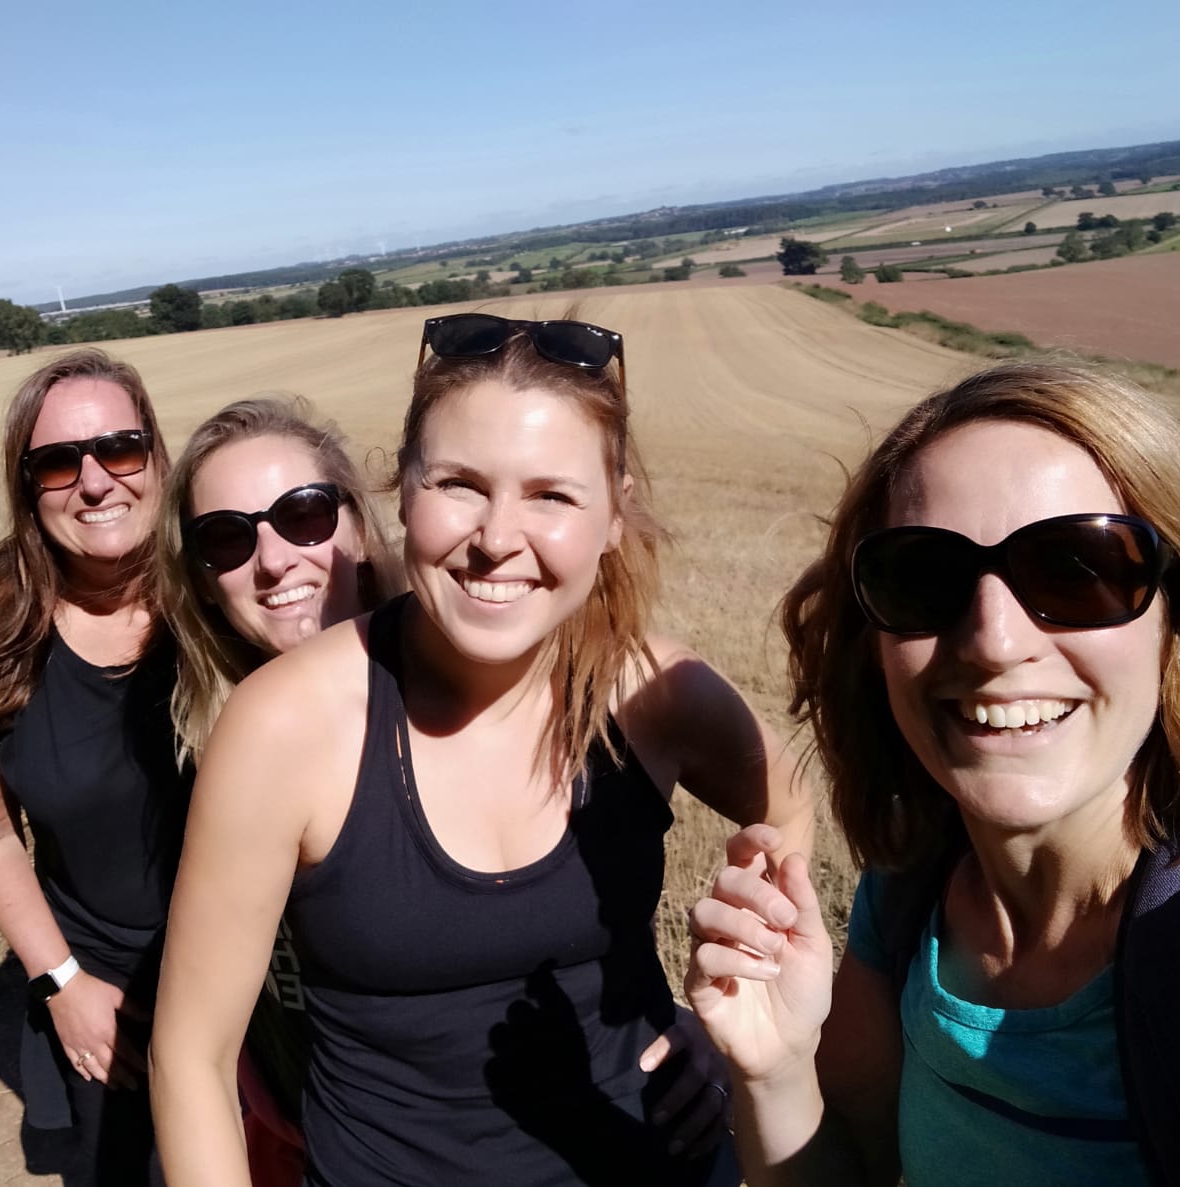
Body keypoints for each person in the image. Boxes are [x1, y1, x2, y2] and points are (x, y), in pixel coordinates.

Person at [151, 312, 818, 1186]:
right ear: (401, 491)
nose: (498, 537)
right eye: (459, 484)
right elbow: (191, 1058)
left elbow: (787, 802)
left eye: (551, 495)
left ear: (613, 516)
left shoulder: (654, 694)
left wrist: (733, 1006)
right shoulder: (286, 725)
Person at [684, 362, 1180, 1185]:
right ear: (871, 640)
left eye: (1077, 569)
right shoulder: (907, 891)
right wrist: (775, 1070)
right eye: (922, 578)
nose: (993, 640)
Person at [0, 348, 188, 1186]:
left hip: (279, 976)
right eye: (59, 462)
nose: (95, 481)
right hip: (113, 987)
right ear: (27, 485)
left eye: (120, 448)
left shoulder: (225, 585)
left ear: (157, 455)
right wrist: (63, 983)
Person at [155, 395, 398, 1183]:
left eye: (303, 515)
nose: (272, 559)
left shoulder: (467, 708)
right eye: (226, 538)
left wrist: (671, 1030)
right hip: (295, 1143)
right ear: (202, 579)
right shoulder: (198, 741)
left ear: (358, 528)